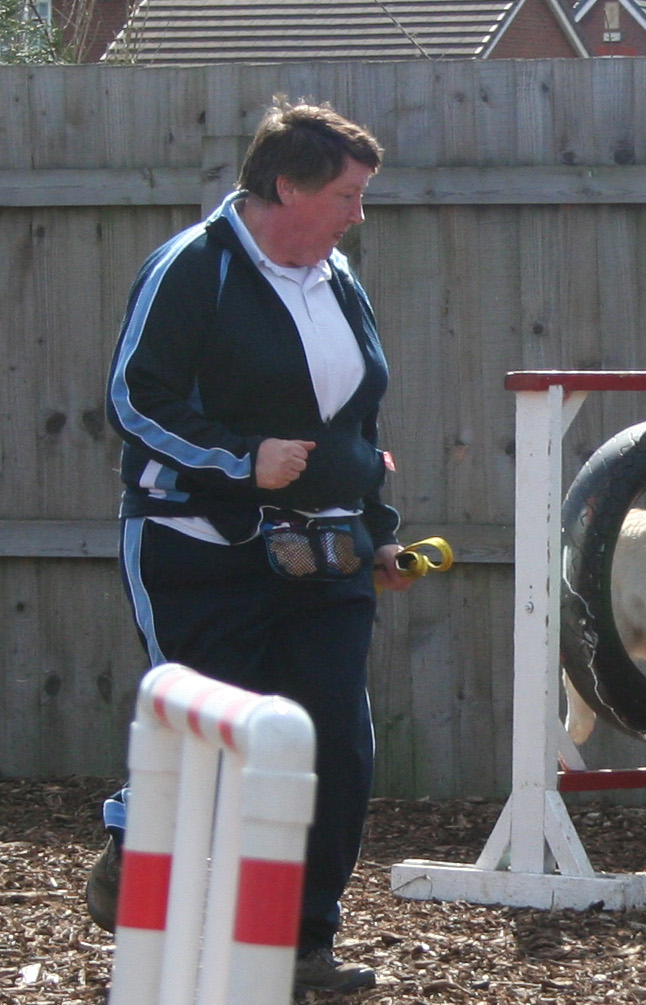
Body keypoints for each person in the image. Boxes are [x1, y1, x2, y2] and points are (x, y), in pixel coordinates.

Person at [87, 97, 413, 995]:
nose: (358, 214)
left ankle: (301, 943)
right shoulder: (195, 269)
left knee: (335, 744)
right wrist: (243, 461)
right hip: (198, 547)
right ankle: (134, 839)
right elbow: (133, 398)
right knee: (211, 746)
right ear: (286, 187)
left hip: (325, 555)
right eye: (347, 195)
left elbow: (359, 419)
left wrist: (376, 528)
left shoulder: (337, 277)